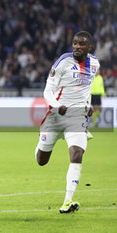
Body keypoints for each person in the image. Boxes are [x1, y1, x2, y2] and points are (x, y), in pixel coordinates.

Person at [34, 31, 99, 213]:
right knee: (41, 160)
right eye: (75, 43)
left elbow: (86, 89)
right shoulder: (63, 62)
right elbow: (48, 91)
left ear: (89, 47)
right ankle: (40, 144)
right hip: (55, 115)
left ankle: (67, 202)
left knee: (77, 154)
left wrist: (88, 106)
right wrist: (56, 105)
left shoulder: (94, 64)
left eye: (81, 44)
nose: (77, 47)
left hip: (77, 117)